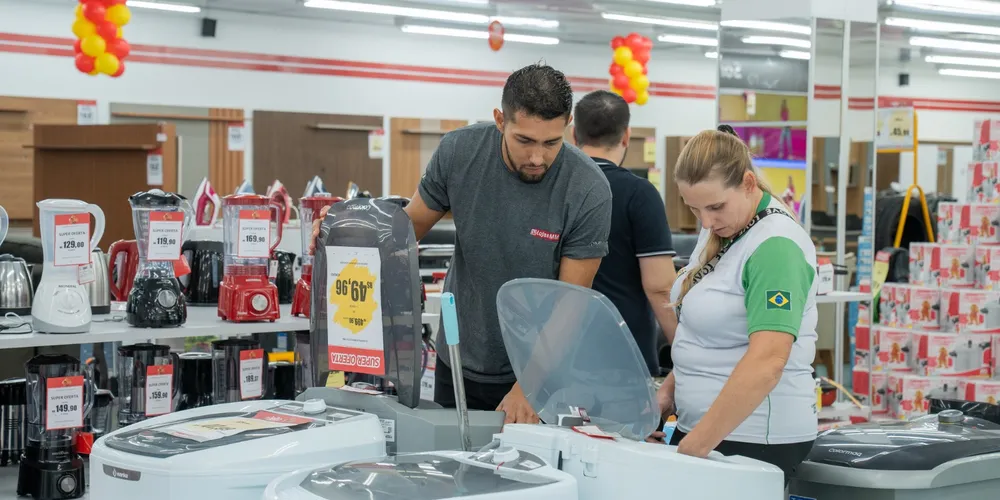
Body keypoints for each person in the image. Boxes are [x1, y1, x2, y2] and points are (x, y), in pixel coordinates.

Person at [311, 63, 613, 423]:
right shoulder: (460, 153)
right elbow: (407, 230)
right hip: (457, 358)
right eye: (525, 140)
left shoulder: (588, 188)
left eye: (551, 143)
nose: (537, 157)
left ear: (568, 128)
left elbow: (571, 304)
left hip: (538, 370)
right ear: (500, 120)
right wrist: (348, 234)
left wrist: (530, 386)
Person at [654, 125, 818, 485]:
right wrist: (670, 388)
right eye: (694, 209)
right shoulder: (724, 227)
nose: (707, 221)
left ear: (747, 183)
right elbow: (714, 335)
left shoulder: (775, 246)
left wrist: (694, 446)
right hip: (707, 433)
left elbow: (767, 362)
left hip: (753, 438)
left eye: (715, 207)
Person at [569, 90, 678, 375]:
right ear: (626, 136)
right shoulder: (639, 194)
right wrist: (683, 350)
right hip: (625, 352)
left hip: (560, 351)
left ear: (573, 134)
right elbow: (660, 287)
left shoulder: (555, 189)